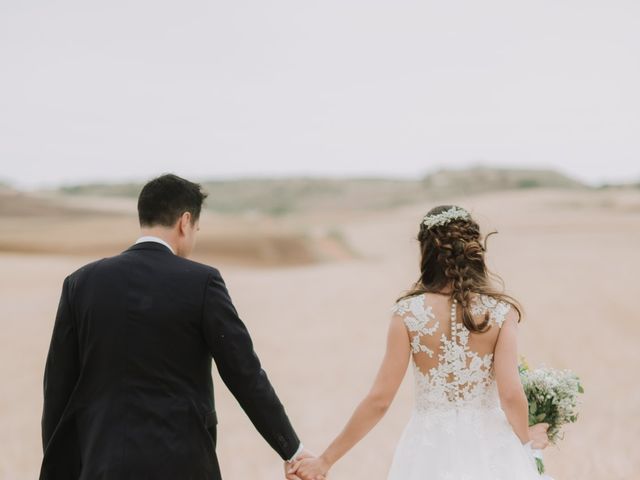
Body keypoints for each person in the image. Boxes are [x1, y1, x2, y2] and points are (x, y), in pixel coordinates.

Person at [39, 173, 312, 479]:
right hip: (183, 464)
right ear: (185, 222)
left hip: (102, 464)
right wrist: (292, 449)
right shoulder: (203, 282)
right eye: (196, 228)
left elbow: (57, 388)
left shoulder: (81, 283)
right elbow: (245, 375)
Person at [289, 205, 551, 480]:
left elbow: (379, 400)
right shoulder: (500, 312)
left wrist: (325, 461)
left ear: (427, 251)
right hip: (490, 445)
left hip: (428, 448)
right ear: (473, 250)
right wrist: (524, 447)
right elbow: (511, 395)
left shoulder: (407, 313)